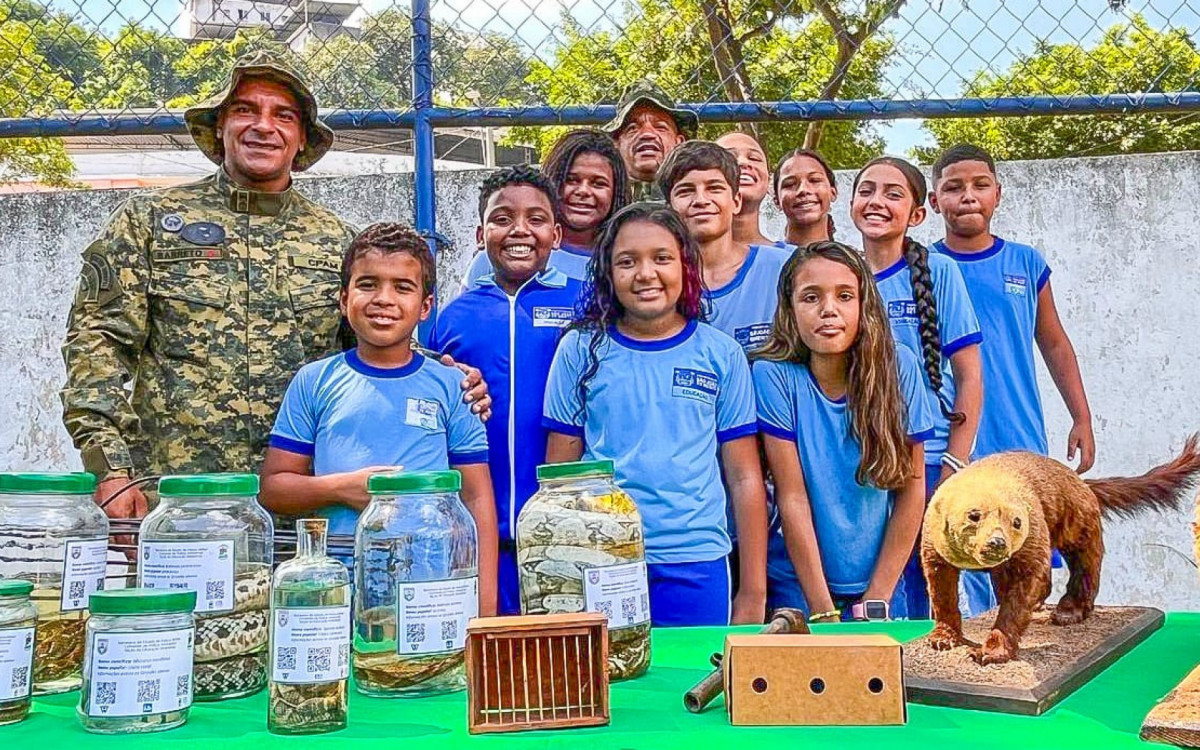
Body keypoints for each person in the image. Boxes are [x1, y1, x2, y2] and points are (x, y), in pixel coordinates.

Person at [60, 51, 489, 521]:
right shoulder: (149, 223)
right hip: (178, 502)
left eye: (283, 116)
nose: (264, 126)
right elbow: (96, 347)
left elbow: (371, 347)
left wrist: (451, 379)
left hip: (307, 515)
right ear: (220, 127)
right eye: (245, 110)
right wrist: (110, 470)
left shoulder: (336, 240)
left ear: (302, 138)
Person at [543, 203, 768, 626]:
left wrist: (753, 591)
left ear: (685, 266)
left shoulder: (721, 354)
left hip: (696, 561)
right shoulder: (579, 350)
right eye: (627, 262)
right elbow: (560, 479)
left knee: (691, 668)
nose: (646, 273)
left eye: (662, 258)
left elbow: (744, 478)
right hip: (603, 557)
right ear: (608, 273)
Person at [260, 222, 498, 615]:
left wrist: (485, 611)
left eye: (402, 287)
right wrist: (342, 488)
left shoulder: (453, 385)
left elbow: (476, 496)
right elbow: (274, 488)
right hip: (336, 587)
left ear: (425, 306)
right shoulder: (314, 381)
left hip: (430, 582)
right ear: (343, 299)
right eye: (368, 284)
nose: (384, 299)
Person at [431, 166, 583, 615]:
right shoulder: (454, 316)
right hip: (480, 536)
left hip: (566, 534)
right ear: (481, 235)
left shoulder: (587, 303)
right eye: (502, 219)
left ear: (556, 234)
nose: (520, 230)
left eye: (536, 219)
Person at [754, 242, 932, 621]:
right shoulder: (773, 375)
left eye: (845, 296)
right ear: (789, 309)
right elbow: (792, 497)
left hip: (882, 574)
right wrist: (822, 610)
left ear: (864, 306)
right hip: (800, 577)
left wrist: (878, 596)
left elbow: (912, 490)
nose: (828, 309)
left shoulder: (899, 366)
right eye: (811, 297)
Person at [850, 156, 992, 618]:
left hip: (927, 460)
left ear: (916, 214)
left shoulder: (938, 272)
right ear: (850, 205)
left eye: (893, 194)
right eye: (867, 190)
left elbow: (969, 376)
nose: (877, 201)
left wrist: (954, 463)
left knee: (928, 588)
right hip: (861, 462)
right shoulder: (839, 277)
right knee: (875, 592)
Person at [929, 143, 1095, 470]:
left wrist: (1082, 418)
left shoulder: (1026, 262)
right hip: (945, 445)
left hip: (1019, 435)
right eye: (953, 187)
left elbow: (1055, 344)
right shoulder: (922, 266)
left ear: (998, 194)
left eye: (980, 185)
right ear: (934, 201)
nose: (968, 196)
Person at [659, 141, 790, 354]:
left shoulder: (784, 268)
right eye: (686, 191)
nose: (701, 200)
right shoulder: (657, 280)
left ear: (736, 201)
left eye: (714, 188)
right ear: (669, 208)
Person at [458, 130, 629, 292]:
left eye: (598, 183)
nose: (583, 191)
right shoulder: (501, 256)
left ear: (616, 191)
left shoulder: (627, 260)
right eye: (571, 180)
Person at [604, 79, 697, 201]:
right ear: (616, 144)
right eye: (632, 128)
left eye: (660, 127)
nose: (647, 134)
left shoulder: (700, 197)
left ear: (679, 142)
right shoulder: (600, 199)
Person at [716, 131, 772, 246]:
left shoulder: (792, 255)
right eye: (729, 157)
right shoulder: (681, 254)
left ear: (769, 181)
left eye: (754, 158)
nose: (743, 162)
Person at [774, 148, 838, 248]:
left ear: (833, 192)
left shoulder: (850, 257)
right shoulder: (763, 256)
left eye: (814, 180)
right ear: (777, 200)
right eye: (790, 184)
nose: (803, 190)